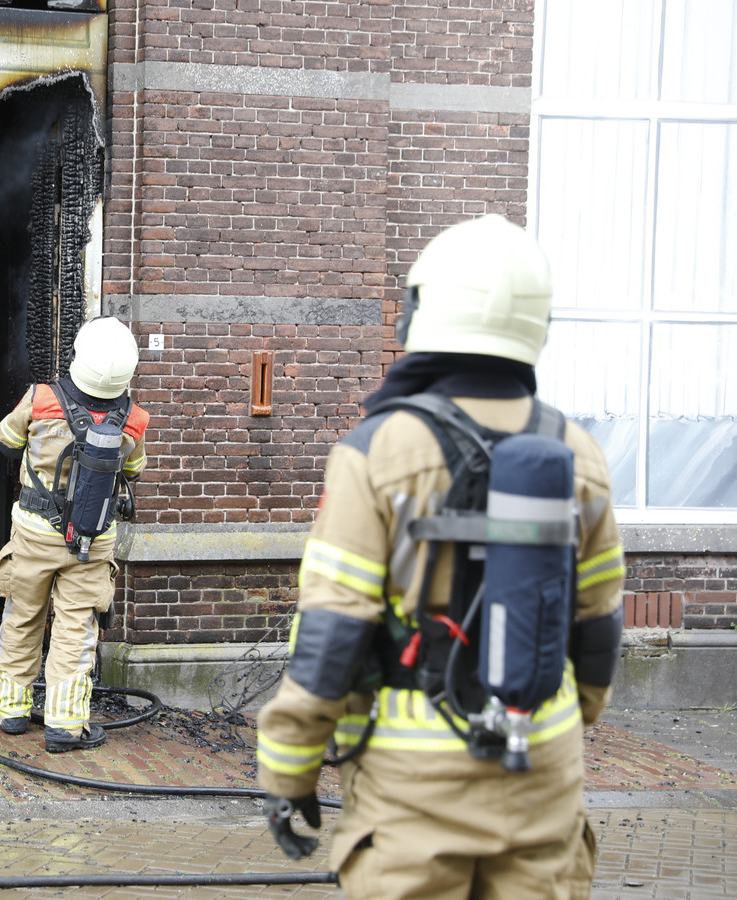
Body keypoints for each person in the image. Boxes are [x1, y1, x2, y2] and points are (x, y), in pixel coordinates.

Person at [255, 214, 626, 899]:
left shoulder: (377, 450)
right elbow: (599, 628)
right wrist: (559, 720)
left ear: (423, 312)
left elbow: (330, 638)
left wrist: (288, 776)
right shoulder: (582, 454)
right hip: (541, 778)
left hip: (411, 795)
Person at [0, 316, 150, 753]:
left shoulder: (41, 398)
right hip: (92, 542)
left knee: (23, 615)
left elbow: (5, 439)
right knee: (76, 630)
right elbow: (134, 470)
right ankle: (64, 725)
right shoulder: (133, 418)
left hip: (34, 533)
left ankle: (13, 712)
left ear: (79, 355)